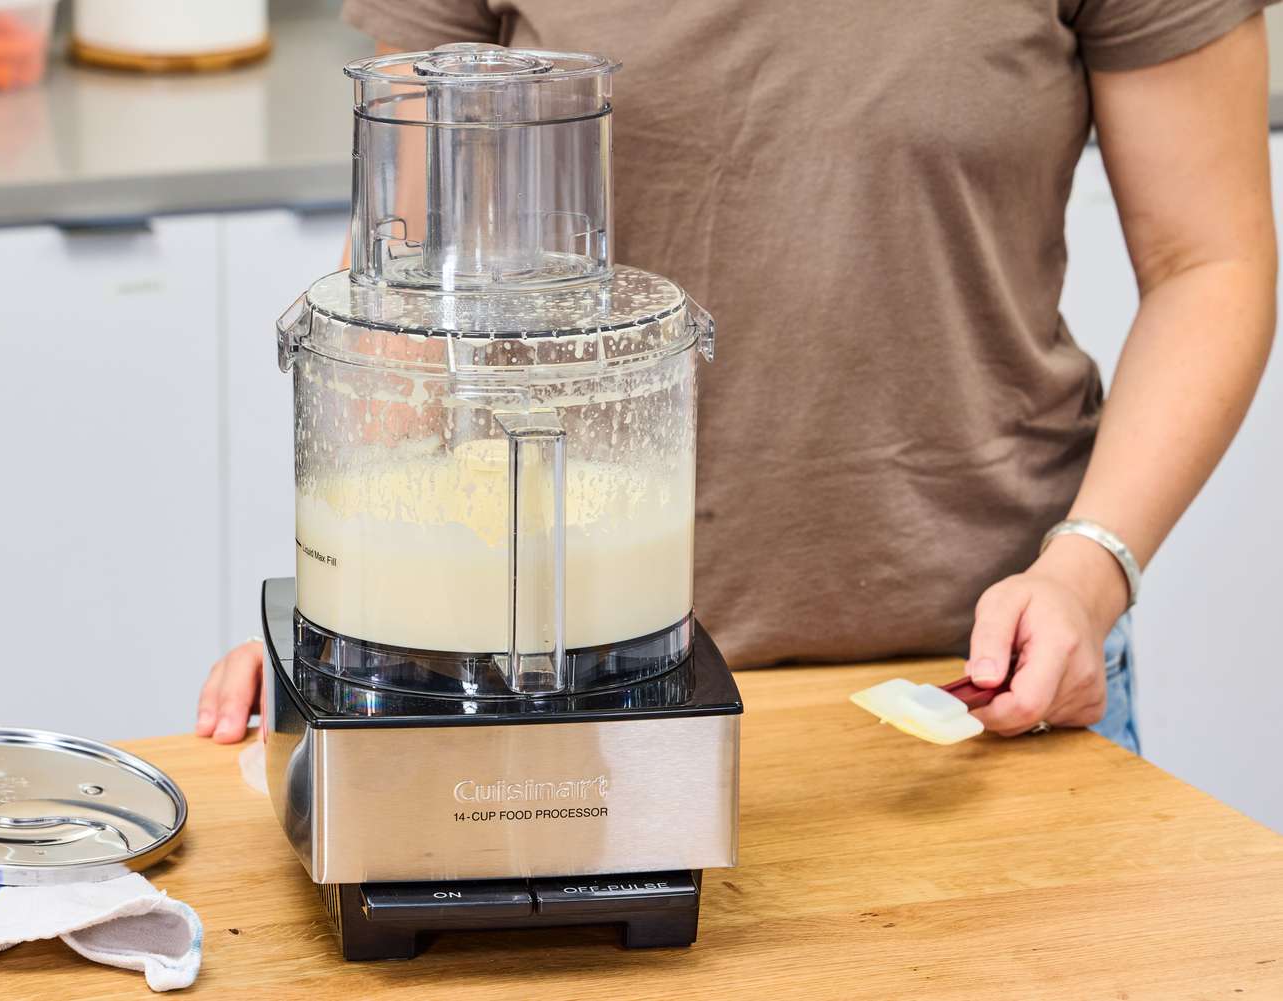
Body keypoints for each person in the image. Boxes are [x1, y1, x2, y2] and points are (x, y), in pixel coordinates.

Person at [198, 1, 1278, 754]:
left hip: (976, 682)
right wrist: (362, 630)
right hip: (564, 687)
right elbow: (407, 291)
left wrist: (1086, 574)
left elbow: (1209, 260)